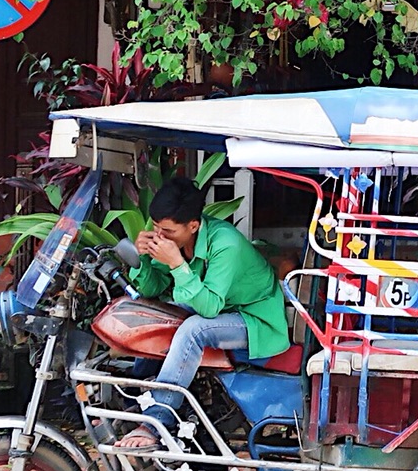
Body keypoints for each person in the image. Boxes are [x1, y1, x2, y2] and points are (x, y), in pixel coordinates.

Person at [115, 178, 293, 452]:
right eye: (156, 228)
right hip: (216, 310)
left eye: (168, 231)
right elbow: (153, 289)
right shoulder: (174, 239)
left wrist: (176, 263)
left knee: (192, 330)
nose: (160, 236)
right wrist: (145, 259)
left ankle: (155, 423)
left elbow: (208, 308)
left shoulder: (225, 244)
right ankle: (138, 402)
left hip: (254, 320)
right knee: (155, 315)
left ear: (193, 226)